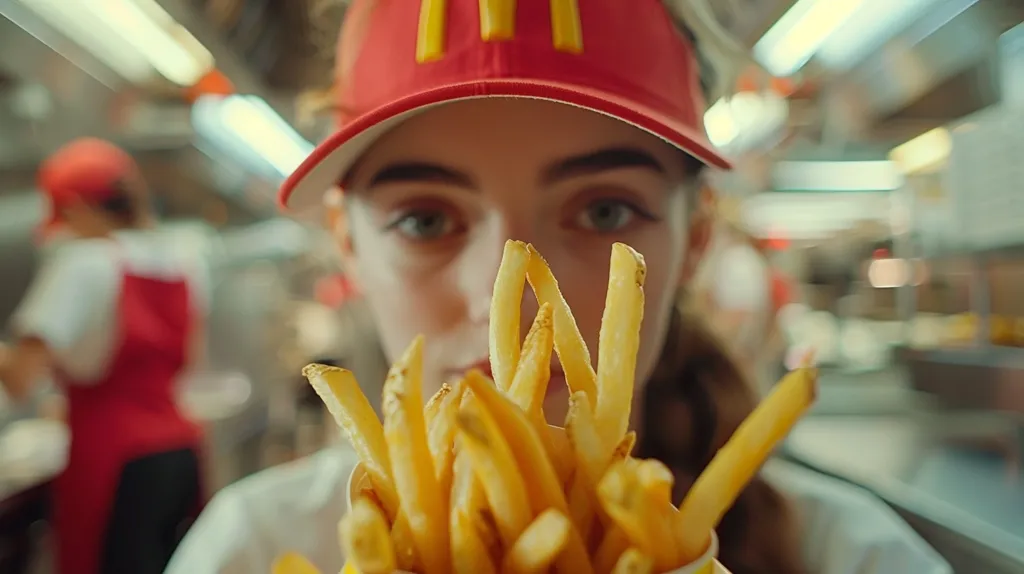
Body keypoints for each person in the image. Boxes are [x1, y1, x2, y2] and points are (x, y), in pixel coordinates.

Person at [168, 1, 804, 573]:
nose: (512, 304)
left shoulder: (860, 557)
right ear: (348, 246)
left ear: (695, 238)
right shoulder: (248, 548)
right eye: (426, 220)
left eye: (604, 211)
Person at [0, 138, 209, 574]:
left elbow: (21, 379)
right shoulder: (183, 261)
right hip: (179, 451)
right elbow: (189, 358)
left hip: (115, 458)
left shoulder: (85, 263)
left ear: (76, 207)